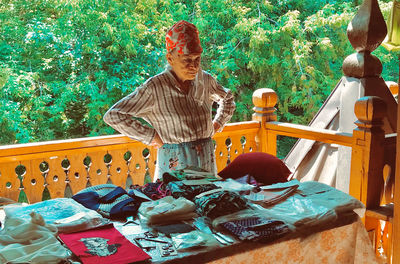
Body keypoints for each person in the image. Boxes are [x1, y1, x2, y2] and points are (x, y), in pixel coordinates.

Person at [103, 20, 235, 180]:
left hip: (206, 157)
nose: (193, 66)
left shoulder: (205, 80)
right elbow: (114, 115)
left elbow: (227, 98)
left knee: (206, 201)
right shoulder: (155, 87)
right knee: (177, 203)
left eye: (197, 59)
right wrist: (151, 137)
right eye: (187, 60)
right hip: (174, 159)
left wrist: (217, 124)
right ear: (170, 58)